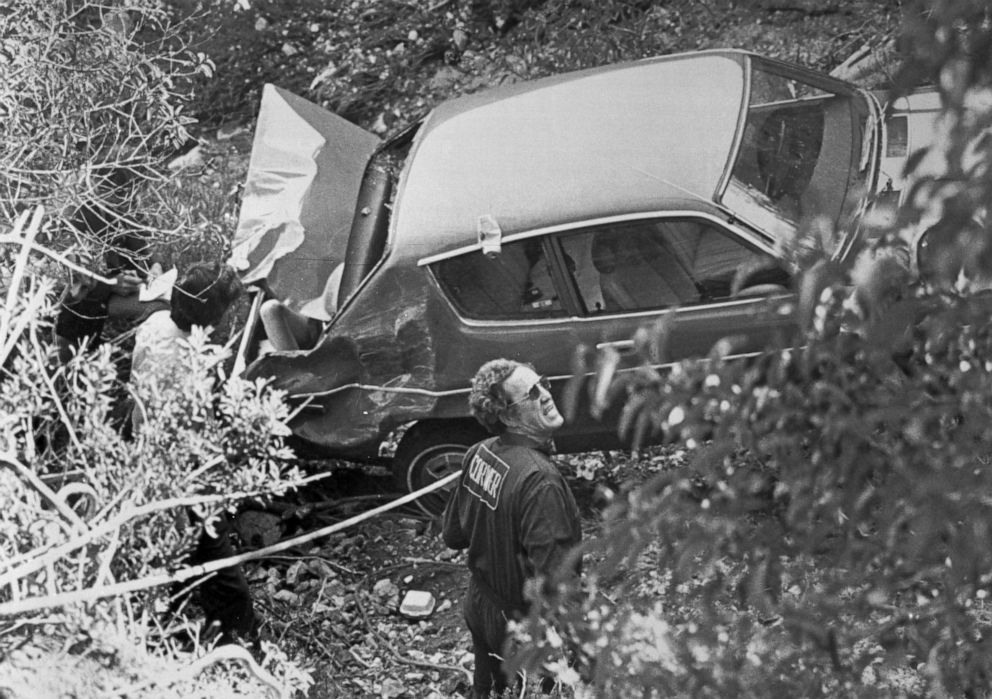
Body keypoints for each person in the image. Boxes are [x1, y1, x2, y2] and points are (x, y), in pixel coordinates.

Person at [129, 261, 259, 647]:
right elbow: (194, 427)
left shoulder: (155, 326)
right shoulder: (187, 362)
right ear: (211, 315)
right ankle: (239, 633)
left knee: (173, 543)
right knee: (213, 547)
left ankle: (167, 618)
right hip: (178, 465)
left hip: (147, 450)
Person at [442, 359, 582, 698]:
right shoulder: (540, 481)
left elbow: (452, 535)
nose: (546, 395)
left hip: (479, 604)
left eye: (543, 383)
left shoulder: (479, 453)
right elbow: (556, 581)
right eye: (531, 394)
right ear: (506, 415)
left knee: (487, 692)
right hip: (518, 626)